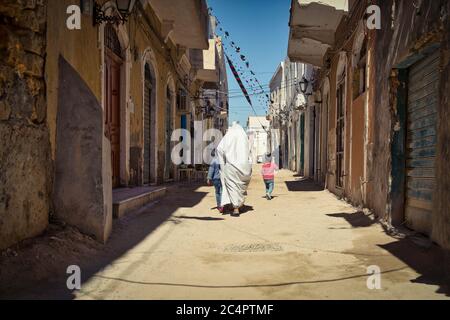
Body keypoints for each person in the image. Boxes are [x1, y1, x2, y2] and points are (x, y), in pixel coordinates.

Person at [217, 122, 252, 217]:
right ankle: (239, 204)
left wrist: (222, 163)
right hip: (244, 167)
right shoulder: (244, 137)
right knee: (240, 188)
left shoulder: (228, 136)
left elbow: (219, 148)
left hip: (231, 167)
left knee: (232, 187)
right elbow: (249, 152)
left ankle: (236, 208)